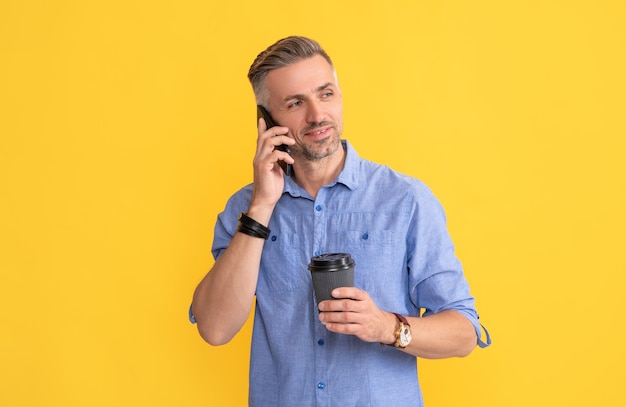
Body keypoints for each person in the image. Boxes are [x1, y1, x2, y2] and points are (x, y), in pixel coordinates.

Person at [190, 36, 490, 406]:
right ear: (267, 122)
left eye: (326, 94)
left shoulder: (405, 200)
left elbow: (464, 332)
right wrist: (262, 207)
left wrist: (387, 327)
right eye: (296, 103)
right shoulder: (245, 208)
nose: (317, 114)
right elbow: (215, 328)